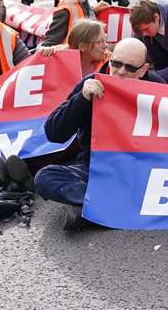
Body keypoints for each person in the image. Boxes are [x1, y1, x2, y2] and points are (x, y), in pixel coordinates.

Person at [37, 34, 149, 230]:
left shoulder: (158, 88)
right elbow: (54, 133)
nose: (121, 72)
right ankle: (106, 206)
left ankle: (92, 209)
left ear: (144, 70)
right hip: (95, 169)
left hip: (138, 172)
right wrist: (81, 99)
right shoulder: (91, 83)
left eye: (130, 68)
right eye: (116, 64)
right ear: (110, 59)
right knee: (45, 177)